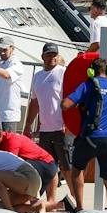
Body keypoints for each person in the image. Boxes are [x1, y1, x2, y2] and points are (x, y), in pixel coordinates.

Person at [62, 58, 107, 211]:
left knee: (77, 170)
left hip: (91, 138)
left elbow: (65, 105)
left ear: (91, 71)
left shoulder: (88, 85)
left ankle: (80, 208)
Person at [25, 45, 71, 188]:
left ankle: (77, 200)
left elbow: (71, 99)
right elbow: (34, 103)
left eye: (54, 55)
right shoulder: (37, 76)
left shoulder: (63, 72)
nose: (52, 57)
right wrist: (27, 125)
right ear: (42, 56)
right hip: (45, 130)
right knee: (49, 168)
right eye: (49, 55)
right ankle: (52, 200)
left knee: (67, 167)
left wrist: (68, 123)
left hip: (61, 128)